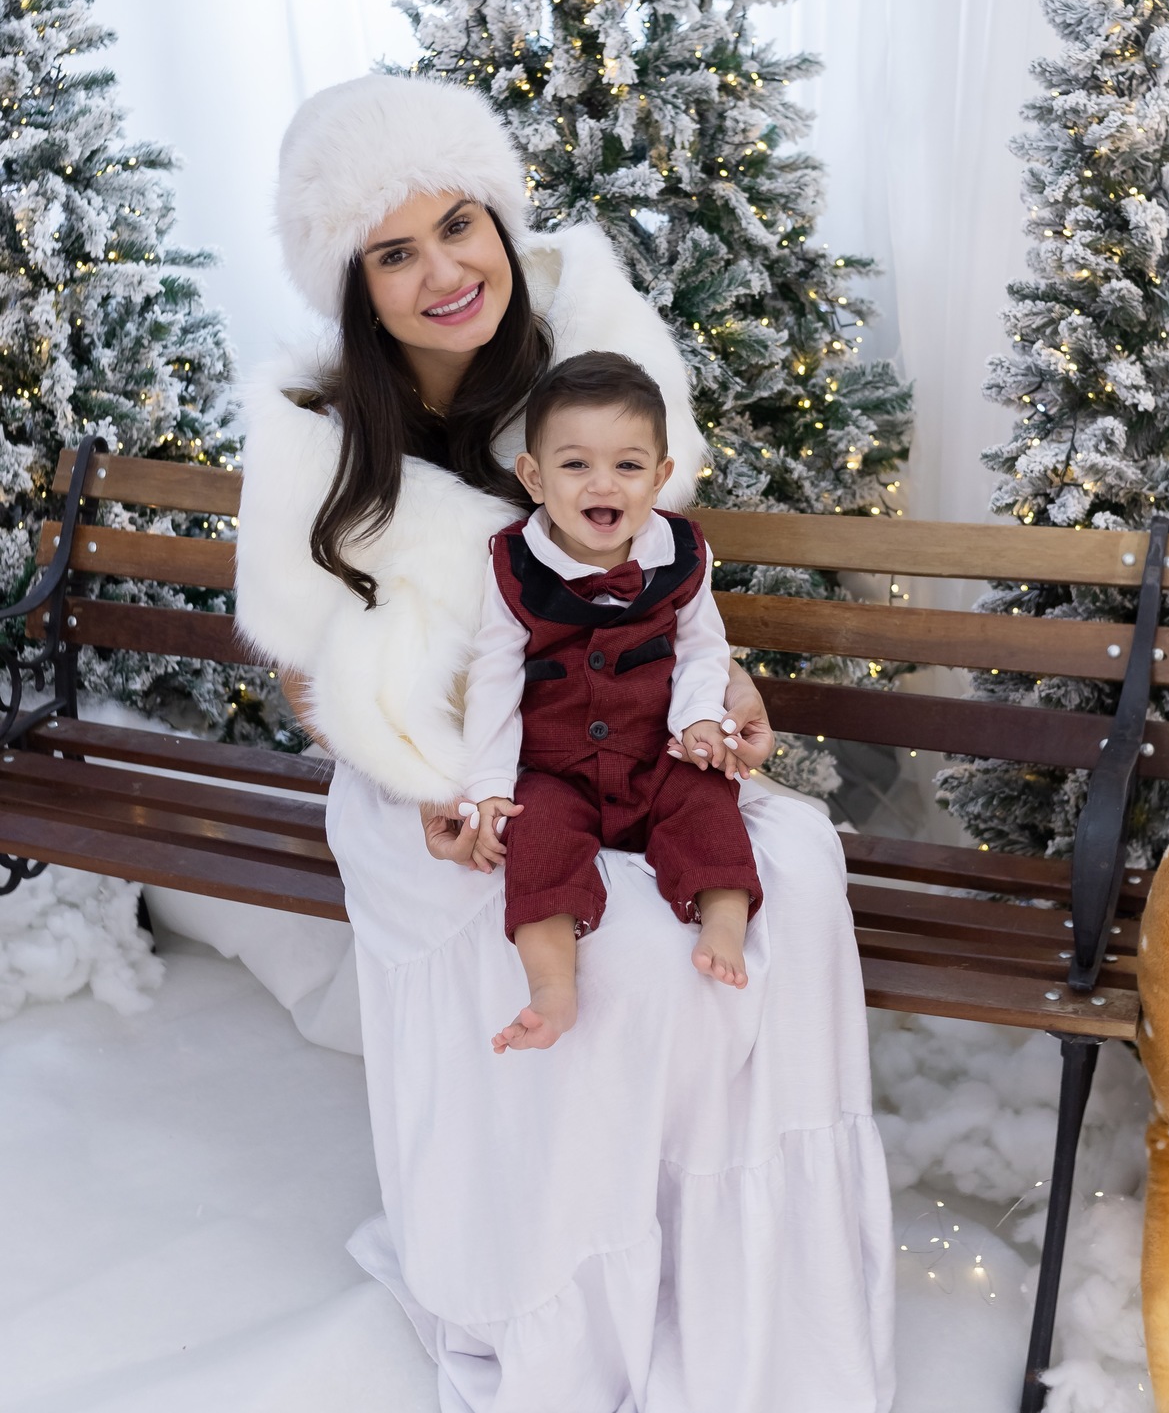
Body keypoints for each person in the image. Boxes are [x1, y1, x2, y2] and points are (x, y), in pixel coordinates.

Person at [236, 73, 895, 1413]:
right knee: (622, 955)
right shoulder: (320, 437)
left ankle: (751, 1290)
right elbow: (327, 686)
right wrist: (435, 788)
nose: (442, 273)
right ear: (355, 283)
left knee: (801, 867)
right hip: (444, 772)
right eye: (395, 251)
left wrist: (734, 687)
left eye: (458, 226)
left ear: (499, 218)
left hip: (637, 736)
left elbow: (655, 574)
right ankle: (581, 1282)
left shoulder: (582, 356)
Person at [463, 351, 764, 1054]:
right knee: (534, 840)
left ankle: (722, 916)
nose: (604, 484)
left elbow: (702, 648)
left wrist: (697, 720)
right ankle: (552, 985)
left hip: (655, 752)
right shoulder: (513, 563)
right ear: (534, 477)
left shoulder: (682, 552)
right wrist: (486, 786)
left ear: (661, 478)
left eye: (628, 467)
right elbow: (494, 675)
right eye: (575, 466)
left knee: (707, 802)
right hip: (557, 767)